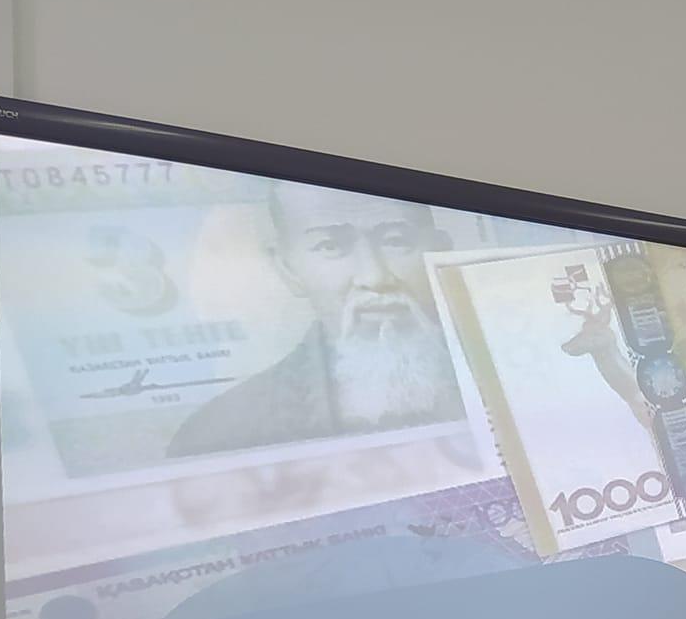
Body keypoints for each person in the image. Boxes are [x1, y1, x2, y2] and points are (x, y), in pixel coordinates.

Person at [167, 182, 469, 458]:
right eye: (330, 246)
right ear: (288, 270)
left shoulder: (497, 368)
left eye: (396, 241)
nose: (375, 278)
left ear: (440, 253)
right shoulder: (218, 434)